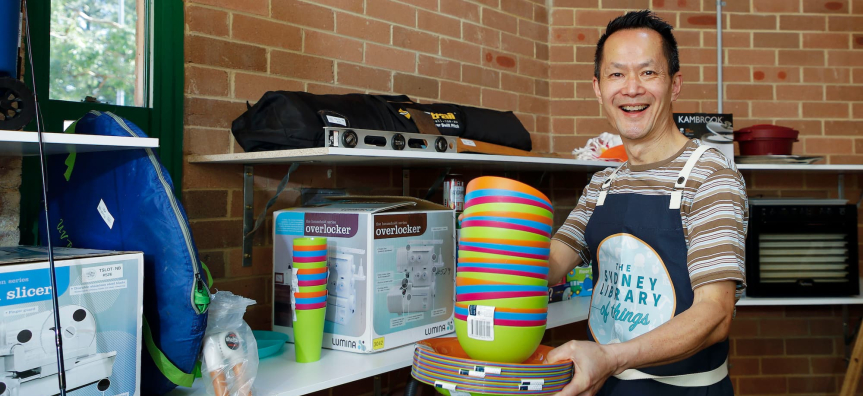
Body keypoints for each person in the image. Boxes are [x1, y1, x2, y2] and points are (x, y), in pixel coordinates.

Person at [545, 10, 748, 396]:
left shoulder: (710, 176)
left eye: (648, 73)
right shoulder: (603, 183)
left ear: (674, 85)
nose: (631, 88)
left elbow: (715, 314)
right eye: (616, 74)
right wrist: (494, 241)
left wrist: (613, 357)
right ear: (598, 87)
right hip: (604, 385)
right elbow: (552, 264)